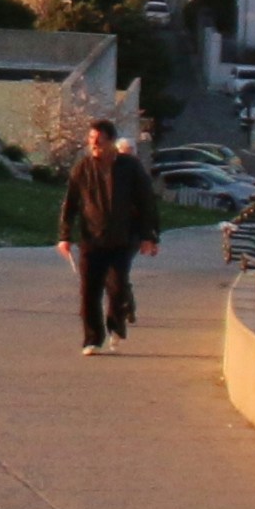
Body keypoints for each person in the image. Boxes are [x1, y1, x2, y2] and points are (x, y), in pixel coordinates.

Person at [59, 113, 158, 352]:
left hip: (122, 239)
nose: (94, 144)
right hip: (91, 239)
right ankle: (92, 339)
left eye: (99, 140)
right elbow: (70, 202)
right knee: (88, 292)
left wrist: (149, 236)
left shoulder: (130, 167)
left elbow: (146, 202)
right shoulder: (83, 168)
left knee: (117, 288)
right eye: (91, 139)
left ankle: (116, 325)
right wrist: (64, 236)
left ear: (111, 141)